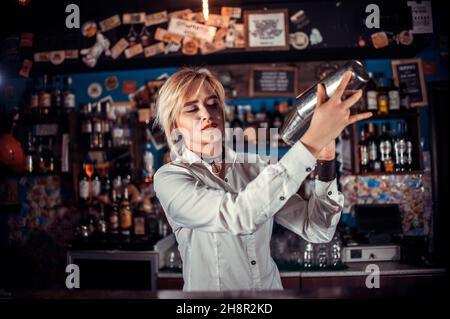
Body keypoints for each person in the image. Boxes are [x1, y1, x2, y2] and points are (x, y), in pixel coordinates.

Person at [154, 67, 372, 291]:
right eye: (192, 109)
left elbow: (317, 229)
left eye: (212, 104)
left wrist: (325, 160)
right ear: (174, 126)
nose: (207, 114)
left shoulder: (255, 166)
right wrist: (312, 142)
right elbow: (237, 216)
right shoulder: (171, 178)